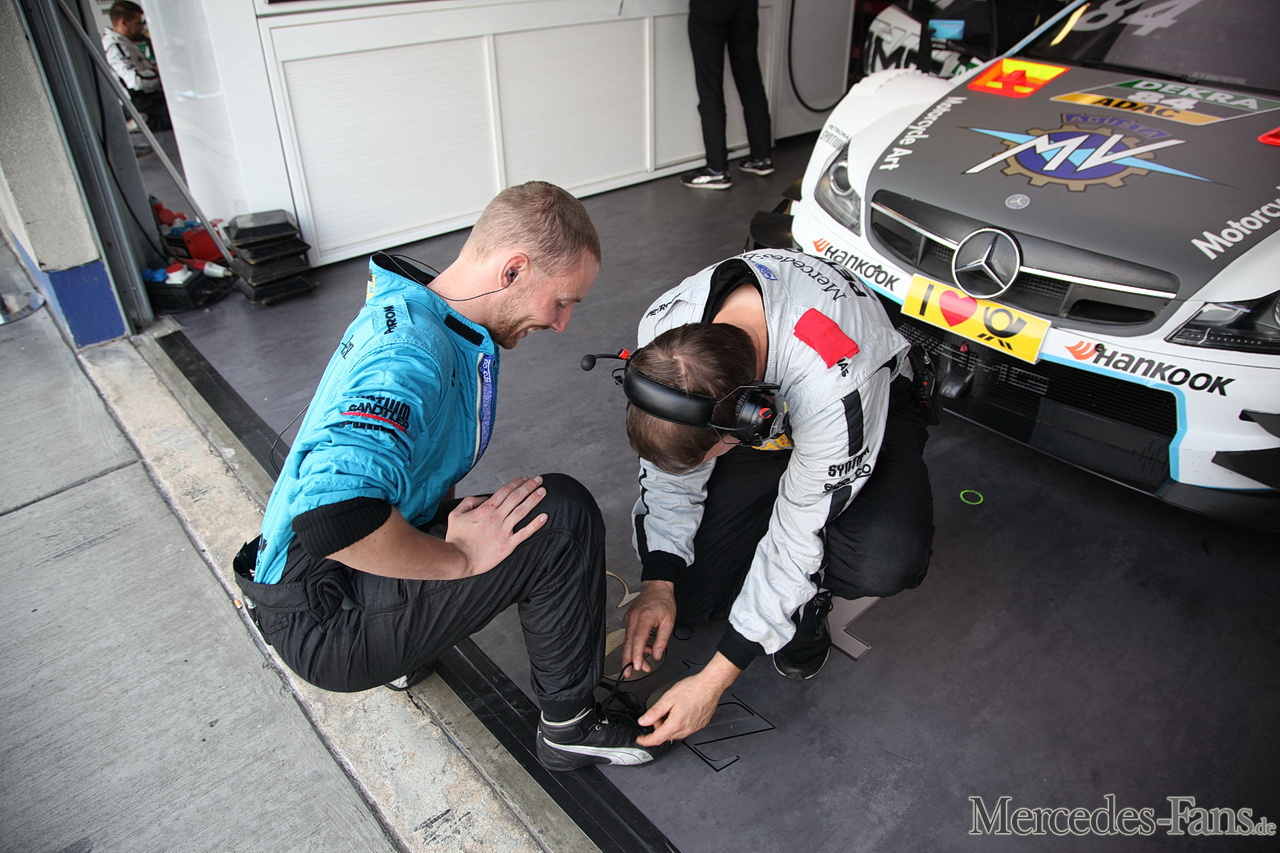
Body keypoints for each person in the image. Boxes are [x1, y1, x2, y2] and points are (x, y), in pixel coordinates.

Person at [232, 182, 670, 772]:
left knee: (470, 511)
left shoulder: (423, 310)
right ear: (513, 270)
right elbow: (330, 517)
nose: (563, 323)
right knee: (560, 517)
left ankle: (400, 643)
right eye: (562, 302)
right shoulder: (412, 353)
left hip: (308, 583)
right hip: (324, 616)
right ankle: (570, 728)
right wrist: (458, 559)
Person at [618, 249, 935, 747]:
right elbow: (669, 473)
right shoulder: (664, 332)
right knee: (692, 596)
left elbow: (800, 525)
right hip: (766, 413)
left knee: (883, 558)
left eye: (707, 455)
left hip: (865, 410)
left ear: (744, 425)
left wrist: (713, 681)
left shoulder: (836, 380)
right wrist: (660, 580)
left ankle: (815, 597)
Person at [680, 0, 774, 190]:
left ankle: (716, 169)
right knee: (750, 80)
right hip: (745, 5)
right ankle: (761, 158)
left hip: (711, 8)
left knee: (710, 86)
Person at [101, 1, 170, 131]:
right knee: (180, 112)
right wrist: (157, 72)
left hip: (150, 97)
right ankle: (143, 122)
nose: (141, 28)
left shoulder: (127, 42)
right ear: (124, 23)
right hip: (138, 102)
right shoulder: (114, 46)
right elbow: (135, 81)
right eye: (137, 23)